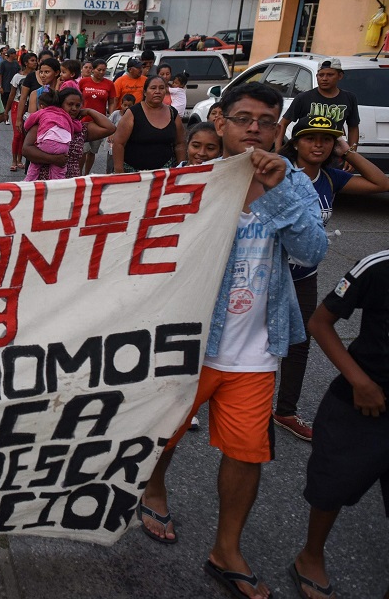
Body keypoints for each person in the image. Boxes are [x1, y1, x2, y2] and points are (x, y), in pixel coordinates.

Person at [138, 82, 327, 599]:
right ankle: (154, 487)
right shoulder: (188, 180)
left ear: (278, 129)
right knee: (165, 436)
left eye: (266, 122)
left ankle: (227, 549)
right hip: (188, 342)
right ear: (219, 122)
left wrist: (279, 191)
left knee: (247, 453)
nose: (255, 130)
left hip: (256, 348)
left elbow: (312, 252)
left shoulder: (292, 183)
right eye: (244, 119)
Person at [274, 117, 389, 441]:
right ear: (296, 142)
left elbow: (381, 183)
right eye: (311, 138)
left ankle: (284, 410)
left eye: (327, 140)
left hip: (304, 276)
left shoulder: (330, 177)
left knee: (299, 343)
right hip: (268, 272)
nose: (319, 145)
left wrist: (348, 152)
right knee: (251, 337)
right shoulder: (279, 170)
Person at [289, 249, 389, 599]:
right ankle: (310, 556)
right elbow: (319, 322)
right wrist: (359, 382)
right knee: (331, 487)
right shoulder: (379, 267)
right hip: (363, 406)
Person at [277, 58, 359, 152]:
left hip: (332, 154)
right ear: (317, 76)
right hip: (304, 153)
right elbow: (282, 124)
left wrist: (352, 152)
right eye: (321, 75)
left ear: (340, 76)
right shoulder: (303, 98)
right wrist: (278, 152)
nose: (324, 78)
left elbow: (353, 127)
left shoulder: (349, 98)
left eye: (330, 75)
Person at [111, 75, 186, 172]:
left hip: (165, 174)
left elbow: (180, 144)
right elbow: (119, 143)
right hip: (133, 173)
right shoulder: (133, 113)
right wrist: (119, 172)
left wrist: (182, 170)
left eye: (162, 88)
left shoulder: (173, 113)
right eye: (153, 88)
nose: (158, 91)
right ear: (145, 92)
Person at [23, 90, 81, 181]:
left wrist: (26, 128)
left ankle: (29, 182)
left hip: (47, 143)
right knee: (59, 173)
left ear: (41, 106)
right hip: (63, 147)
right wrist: (86, 112)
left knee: (35, 165)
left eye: (78, 106)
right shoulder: (65, 116)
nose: (74, 108)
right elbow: (78, 127)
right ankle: (57, 188)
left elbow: (28, 122)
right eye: (70, 104)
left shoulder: (42, 113)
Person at [78, 58, 116, 175]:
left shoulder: (109, 84)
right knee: (82, 150)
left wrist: (111, 117)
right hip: (83, 121)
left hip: (99, 123)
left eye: (104, 70)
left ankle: (87, 174)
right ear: (93, 70)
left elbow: (112, 102)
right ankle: (78, 174)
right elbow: (76, 98)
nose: (101, 72)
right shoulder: (83, 82)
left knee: (92, 151)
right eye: (99, 70)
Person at [5, 52, 38, 172]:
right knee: (17, 134)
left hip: (31, 106)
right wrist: (6, 110)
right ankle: (14, 160)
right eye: (32, 60)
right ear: (25, 63)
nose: (35, 63)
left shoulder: (38, 76)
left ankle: (20, 159)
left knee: (25, 134)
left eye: (36, 60)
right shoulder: (17, 77)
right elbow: (12, 94)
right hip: (17, 105)